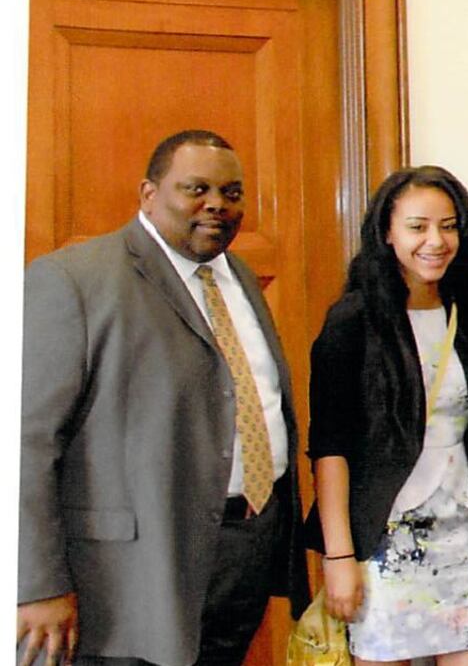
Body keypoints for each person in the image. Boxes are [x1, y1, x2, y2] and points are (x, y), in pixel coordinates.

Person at [18, 129, 307, 666]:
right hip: (126, 578)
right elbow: (24, 442)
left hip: (243, 552)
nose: (217, 204)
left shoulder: (240, 277)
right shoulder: (73, 281)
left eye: (231, 193)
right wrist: (34, 584)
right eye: (196, 189)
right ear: (149, 194)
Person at [305, 165, 468, 664]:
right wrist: (339, 556)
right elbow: (330, 447)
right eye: (418, 227)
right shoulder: (352, 320)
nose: (435, 241)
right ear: (387, 233)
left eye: (448, 226)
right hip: (382, 540)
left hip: (462, 537)